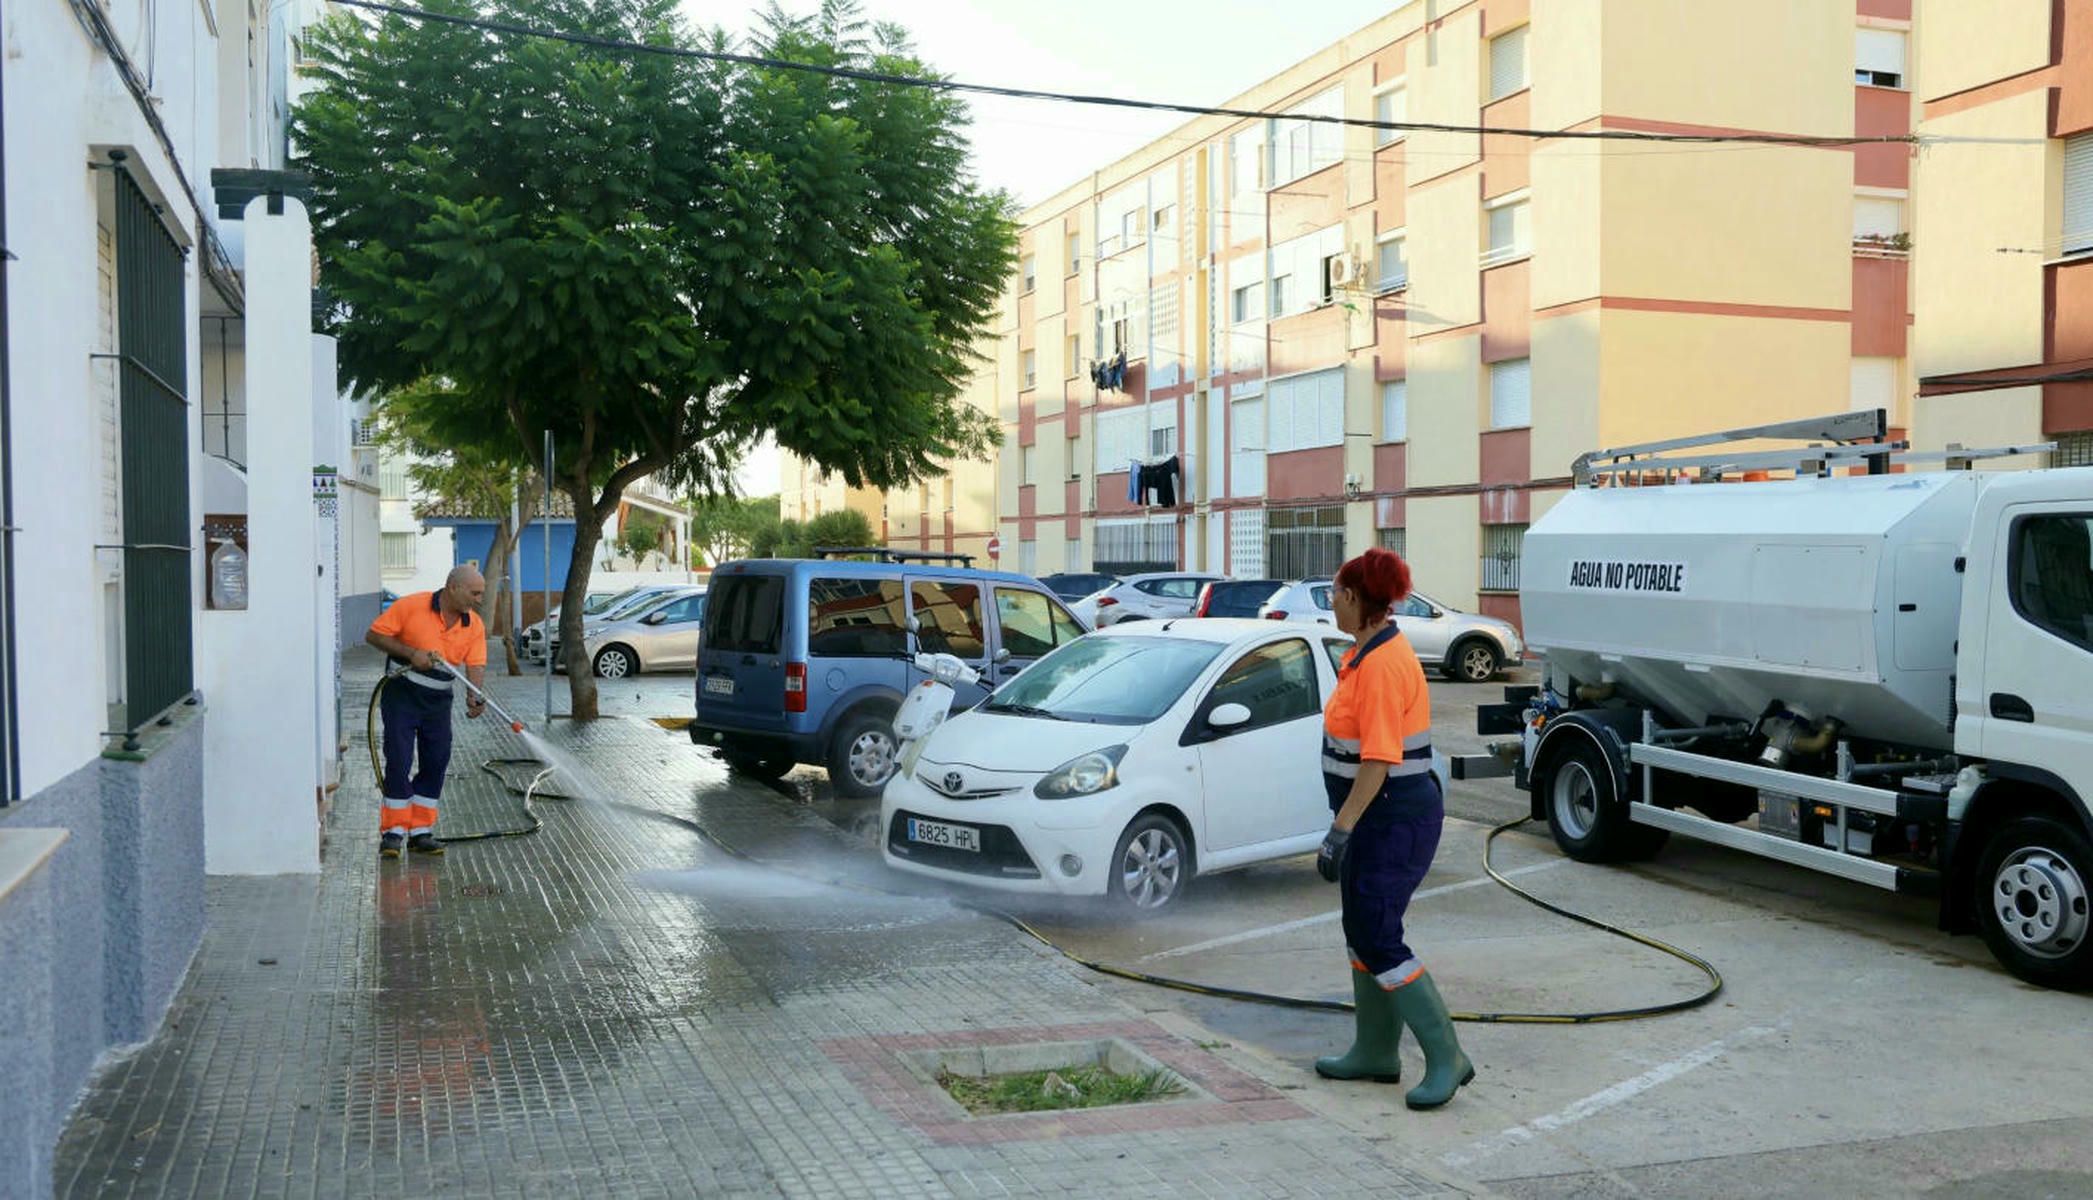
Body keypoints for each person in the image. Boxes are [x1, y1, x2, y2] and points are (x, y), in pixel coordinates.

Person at [1312, 546, 1473, 1110]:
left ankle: (1448, 1057)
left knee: (1379, 934)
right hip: (1379, 816)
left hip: (1393, 816)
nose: (1330, 601)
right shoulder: (1366, 652)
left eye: (1335, 592)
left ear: (1356, 599)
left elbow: (1377, 760)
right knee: (1362, 929)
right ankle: (1376, 1052)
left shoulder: (1381, 664)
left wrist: (1340, 830)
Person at [364, 566, 489, 858]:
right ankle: (393, 833)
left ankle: (421, 832)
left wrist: (475, 693)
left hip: (438, 701)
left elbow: (477, 663)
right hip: (402, 693)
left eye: (481, 593)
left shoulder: (474, 624)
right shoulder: (411, 605)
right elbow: (374, 635)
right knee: (399, 758)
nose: (479, 599)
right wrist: (411, 654)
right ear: (453, 587)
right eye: (475, 593)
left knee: (436, 761)